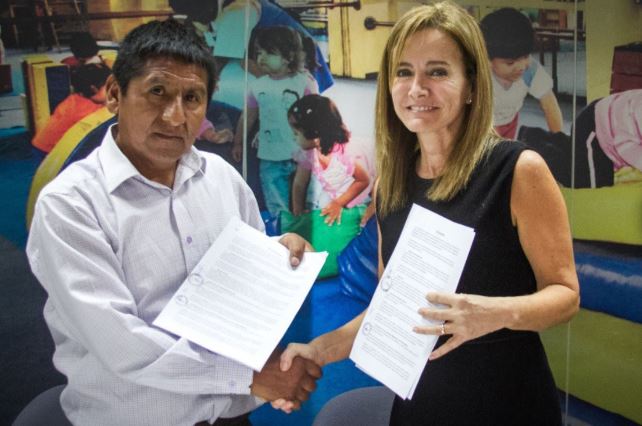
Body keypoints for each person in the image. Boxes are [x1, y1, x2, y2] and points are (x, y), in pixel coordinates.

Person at [274, 2, 579, 424]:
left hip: (506, 400)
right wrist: (318, 351)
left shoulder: (518, 171)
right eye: (404, 72)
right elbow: (391, 308)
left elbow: (565, 295)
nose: (417, 88)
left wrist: (494, 313)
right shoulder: (392, 184)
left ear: (471, 85)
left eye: (437, 72)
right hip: (421, 400)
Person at [26, 19, 321, 426]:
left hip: (230, 414)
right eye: (157, 92)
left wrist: (278, 254)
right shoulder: (70, 205)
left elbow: (241, 281)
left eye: (192, 98)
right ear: (114, 93)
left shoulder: (222, 179)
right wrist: (251, 377)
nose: (175, 116)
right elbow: (123, 346)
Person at [232, 25, 319, 217]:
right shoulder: (257, 86)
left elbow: (317, 114)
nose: (261, 58)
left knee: (308, 201)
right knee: (276, 206)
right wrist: (238, 142)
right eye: (259, 53)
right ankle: (282, 231)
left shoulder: (304, 82)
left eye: (269, 53)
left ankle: (307, 227)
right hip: (270, 156)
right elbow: (248, 116)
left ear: (288, 57)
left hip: (303, 154)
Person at [288, 94, 372, 225]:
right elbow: (300, 183)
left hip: (360, 194)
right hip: (336, 190)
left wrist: (338, 203)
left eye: (296, 134)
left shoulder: (343, 154)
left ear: (315, 134)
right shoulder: (308, 153)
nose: (293, 138)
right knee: (323, 210)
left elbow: (364, 180)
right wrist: (297, 211)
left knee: (358, 221)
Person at [481, 7, 563, 140]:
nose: (521, 67)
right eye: (510, 63)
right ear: (487, 60)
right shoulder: (480, 75)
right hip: (479, 125)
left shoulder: (530, 70)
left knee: (506, 149)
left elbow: (549, 105)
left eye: (525, 56)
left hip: (509, 122)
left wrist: (559, 140)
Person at [31, 63, 112, 155]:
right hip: (48, 150)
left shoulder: (77, 98)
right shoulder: (84, 109)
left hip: (43, 143)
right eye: (108, 87)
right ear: (93, 89)